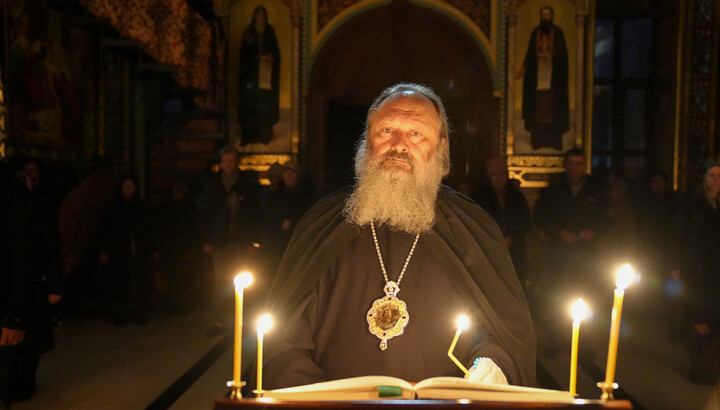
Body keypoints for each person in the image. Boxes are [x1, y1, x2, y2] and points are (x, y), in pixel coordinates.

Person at [262, 83, 536, 390]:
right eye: (387, 130)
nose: (399, 145)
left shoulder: (474, 228)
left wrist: (491, 365)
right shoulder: (321, 223)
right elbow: (282, 342)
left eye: (416, 133)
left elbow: (506, 334)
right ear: (368, 141)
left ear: (441, 147)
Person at [1, 160, 62, 406]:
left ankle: (24, 382)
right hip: (21, 281)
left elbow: (51, 248)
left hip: (34, 281)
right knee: (15, 343)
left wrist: (55, 285)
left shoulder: (41, 208)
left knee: (30, 339)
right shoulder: (18, 208)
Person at [533, 148, 606, 355]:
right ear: (566, 165)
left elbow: (606, 219)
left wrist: (593, 232)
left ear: (585, 165)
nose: (575, 168)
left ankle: (583, 341)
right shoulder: (554, 189)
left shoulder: (597, 189)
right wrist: (559, 232)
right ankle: (557, 338)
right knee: (558, 295)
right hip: (560, 253)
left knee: (586, 295)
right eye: (571, 164)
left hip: (586, 254)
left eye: (579, 164)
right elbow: (541, 216)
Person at [200, 146, 261, 335]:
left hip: (240, 241)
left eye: (230, 161)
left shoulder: (246, 184)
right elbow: (206, 214)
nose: (227, 164)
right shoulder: (213, 185)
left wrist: (253, 241)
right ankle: (220, 321)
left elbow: (254, 214)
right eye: (224, 161)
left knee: (242, 280)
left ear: (236, 162)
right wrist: (207, 239)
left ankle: (240, 321)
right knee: (220, 282)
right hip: (221, 241)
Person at [682, 158, 720, 384]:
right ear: (704, 178)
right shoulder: (692, 204)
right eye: (712, 176)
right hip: (699, 264)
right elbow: (683, 234)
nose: (716, 181)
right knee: (700, 315)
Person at [97, 176, 149, 326]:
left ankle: (137, 312)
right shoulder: (113, 207)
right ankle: (120, 314)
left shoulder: (140, 206)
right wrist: (104, 250)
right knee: (119, 283)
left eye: (131, 186)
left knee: (138, 282)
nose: (128, 189)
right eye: (125, 186)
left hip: (138, 251)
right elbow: (104, 230)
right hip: (118, 250)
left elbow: (147, 229)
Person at [473, 157, 532, 285]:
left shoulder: (516, 197)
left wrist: (512, 237)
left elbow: (525, 223)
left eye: (502, 174)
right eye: (494, 174)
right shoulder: (480, 197)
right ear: (489, 176)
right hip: (489, 251)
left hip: (515, 252)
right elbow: (475, 223)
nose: (498, 178)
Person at [520, 6, 569, 151]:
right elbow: (530, 53)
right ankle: (538, 140)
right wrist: (525, 66)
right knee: (538, 109)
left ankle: (554, 141)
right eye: (543, 15)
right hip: (537, 77)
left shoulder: (558, 33)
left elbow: (563, 56)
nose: (545, 18)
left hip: (553, 79)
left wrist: (552, 56)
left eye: (548, 15)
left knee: (553, 109)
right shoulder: (536, 33)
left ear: (552, 17)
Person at [239, 5, 280, 145]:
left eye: (263, 15)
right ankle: (248, 136)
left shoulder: (270, 32)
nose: (260, 18)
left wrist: (269, 57)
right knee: (250, 105)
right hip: (250, 76)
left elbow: (276, 52)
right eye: (258, 15)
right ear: (254, 16)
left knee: (264, 106)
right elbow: (244, 54)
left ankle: (265, 136)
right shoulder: (249, 31)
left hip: (265, 76)